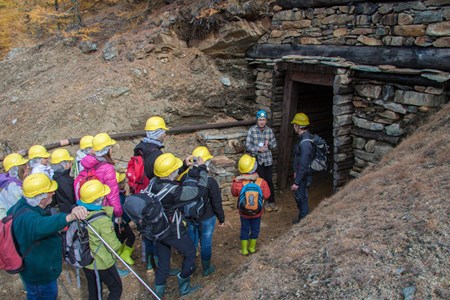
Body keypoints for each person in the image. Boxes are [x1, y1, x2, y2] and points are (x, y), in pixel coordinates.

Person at [126, 153, 208, 298]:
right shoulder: (174, 192)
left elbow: (168, 175)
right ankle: (184, 286)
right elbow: (198, 192)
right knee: (189, 253)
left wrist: (183, 165)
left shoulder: (153, 182)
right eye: (175, 168)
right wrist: (202, 169)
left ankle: (158, 293)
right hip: (172, 230)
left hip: (157, 229)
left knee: (163, 261)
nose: (177, 171)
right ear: (171, 172)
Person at [8, 173, 88, 300]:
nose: (53, 193)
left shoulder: (23, 205)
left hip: (36, 268)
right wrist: (70, 216)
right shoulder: (28, 218)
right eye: (50, 191)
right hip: (40, 274)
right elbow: (40, 225)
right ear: (41, 197)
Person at [78, 179, 123, 300]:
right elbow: (112, 245)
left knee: (94, 291)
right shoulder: (102, 220)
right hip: (101, 262)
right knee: (116, 288)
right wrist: (120, 247)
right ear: (99, 199)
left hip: (86, 259)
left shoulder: (80, 213)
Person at [183, 146, 225, 277]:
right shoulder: (210, 181)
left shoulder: (186, 179)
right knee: (205, 243)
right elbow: (216, 202)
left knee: (191, 242)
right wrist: (221, 218)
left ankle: (190, 267)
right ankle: (206, 269)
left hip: (190, 216)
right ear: (205, 162)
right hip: (207, 217)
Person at [77, 133, 123, 221]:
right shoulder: (107, 168)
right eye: (110, 147)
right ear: (107, 150)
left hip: (90, 205)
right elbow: (112, 194)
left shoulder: (87, 163)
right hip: (104, 207)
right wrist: (118, 213)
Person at [231, 154, 270, 256]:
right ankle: (252, 248)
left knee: (244, 228)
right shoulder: (262, 182)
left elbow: (234, 194)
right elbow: (267, 195)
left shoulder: (237, 183)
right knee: (255, 228)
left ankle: (244, 249)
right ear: (255, 166)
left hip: (243, 212)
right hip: (257, 212)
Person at [245, 109, 277, 212]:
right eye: (260, 119)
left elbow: (275, 145)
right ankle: (261, 202)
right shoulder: (252, 130)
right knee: (260, 181)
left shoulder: (269, 131)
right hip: (257, 160)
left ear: (266, 120)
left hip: (268, 160)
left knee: (269, 180)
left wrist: (269, 144)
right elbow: (248, 146)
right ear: (257, 120)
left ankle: (271, 201)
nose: (262, 121)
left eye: (264, 119)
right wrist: (258, 149)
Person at [290, 113, 314, 224]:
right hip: (301, 174)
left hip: (304, 176)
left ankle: (303, 222)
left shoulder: (305, 143)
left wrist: (297, 182)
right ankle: (301, 218)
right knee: (300, 196)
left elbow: (304, 164)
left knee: (302, 197)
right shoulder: (304, 138)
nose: (293, 126)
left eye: (294, 124)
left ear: (298, 126)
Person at [115, 172, 136, 266]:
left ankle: (121, 250)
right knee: (131, 237)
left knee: (121, 237)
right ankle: (125, 254)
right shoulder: (118, 197)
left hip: (121, 222)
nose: (125, 184)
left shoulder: (118, 194)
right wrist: (122, 224)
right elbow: (118, 211)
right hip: (121, 222)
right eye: (123, 183)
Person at [0, 153, 29, 219]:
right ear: (16, 170)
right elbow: (21, 209)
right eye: (24, 166)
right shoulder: (14, 188)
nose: (28, 167)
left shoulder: (11, 184)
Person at [50, 148, 75, 213]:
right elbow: (72, 198)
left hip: (62, 208)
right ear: (64, 164)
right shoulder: (66, 181)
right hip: (70, 210)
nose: (71, 164)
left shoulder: (55, 177)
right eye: (69, 162)